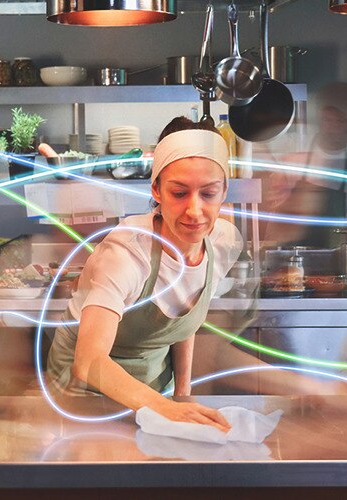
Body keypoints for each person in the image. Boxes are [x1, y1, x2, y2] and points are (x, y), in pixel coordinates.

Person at [46, 116, 242, 431]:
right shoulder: (126, 253)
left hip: (152, 390)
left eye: (208, 193)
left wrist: (181, 396)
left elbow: (183, 319)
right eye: (179, 193)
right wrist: (166, 407)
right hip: (84, 393)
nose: (194, 211)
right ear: (157, 190)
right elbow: (89, 362)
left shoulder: (223, 242)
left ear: (224, 192)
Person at [264, 82, 347, 246]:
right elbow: (274, 218)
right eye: (329, 119)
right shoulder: (293, 157)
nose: (333, 126)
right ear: (321, 118)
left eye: (340, 120)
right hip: (293, 258)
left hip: (341, 257)